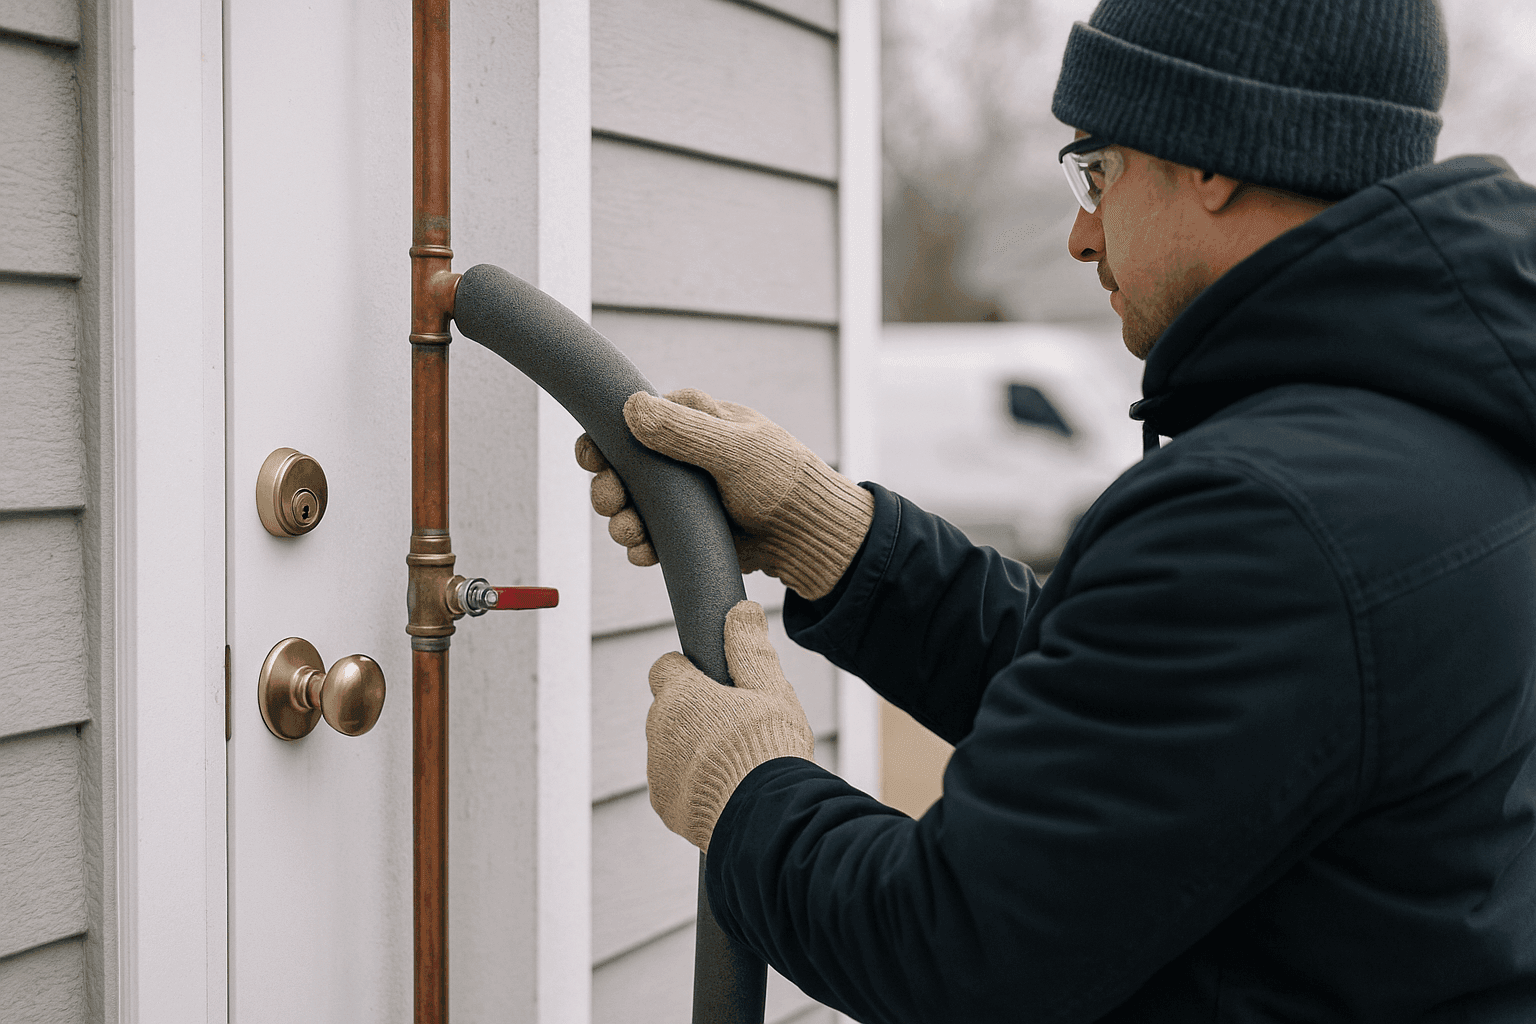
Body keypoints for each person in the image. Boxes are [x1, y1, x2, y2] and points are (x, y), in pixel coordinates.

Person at [578, 0, 1536, 1019]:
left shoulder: (1275, 513)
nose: (1082, 234)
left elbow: (959, 954)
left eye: (1098, 169)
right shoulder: (1439, 425)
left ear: (1213, 153)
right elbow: (1144, 728)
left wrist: (746, 791)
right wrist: (833, 534)